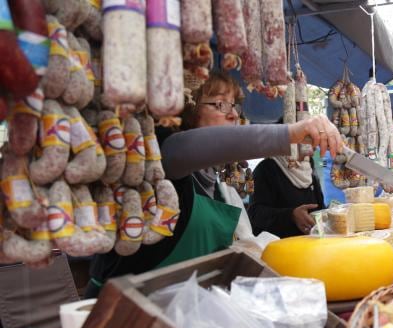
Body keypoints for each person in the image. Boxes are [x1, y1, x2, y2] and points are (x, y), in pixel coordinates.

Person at [85, 71, 341, 297]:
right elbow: (187, 147)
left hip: (181, 314)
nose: (232, 114)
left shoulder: (219, 186)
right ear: (189, 109)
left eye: (234, 105)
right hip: (120, 313)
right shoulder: (163, 156)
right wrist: (291, 133)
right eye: (220, 104)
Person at [248, 153, 325, 237]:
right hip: (280, 246)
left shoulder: (308, 166)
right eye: (305, 142)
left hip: (311, 243)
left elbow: (319, 206)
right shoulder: (265, 169)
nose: (311, 150)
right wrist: (291, 215)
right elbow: (255, 213)